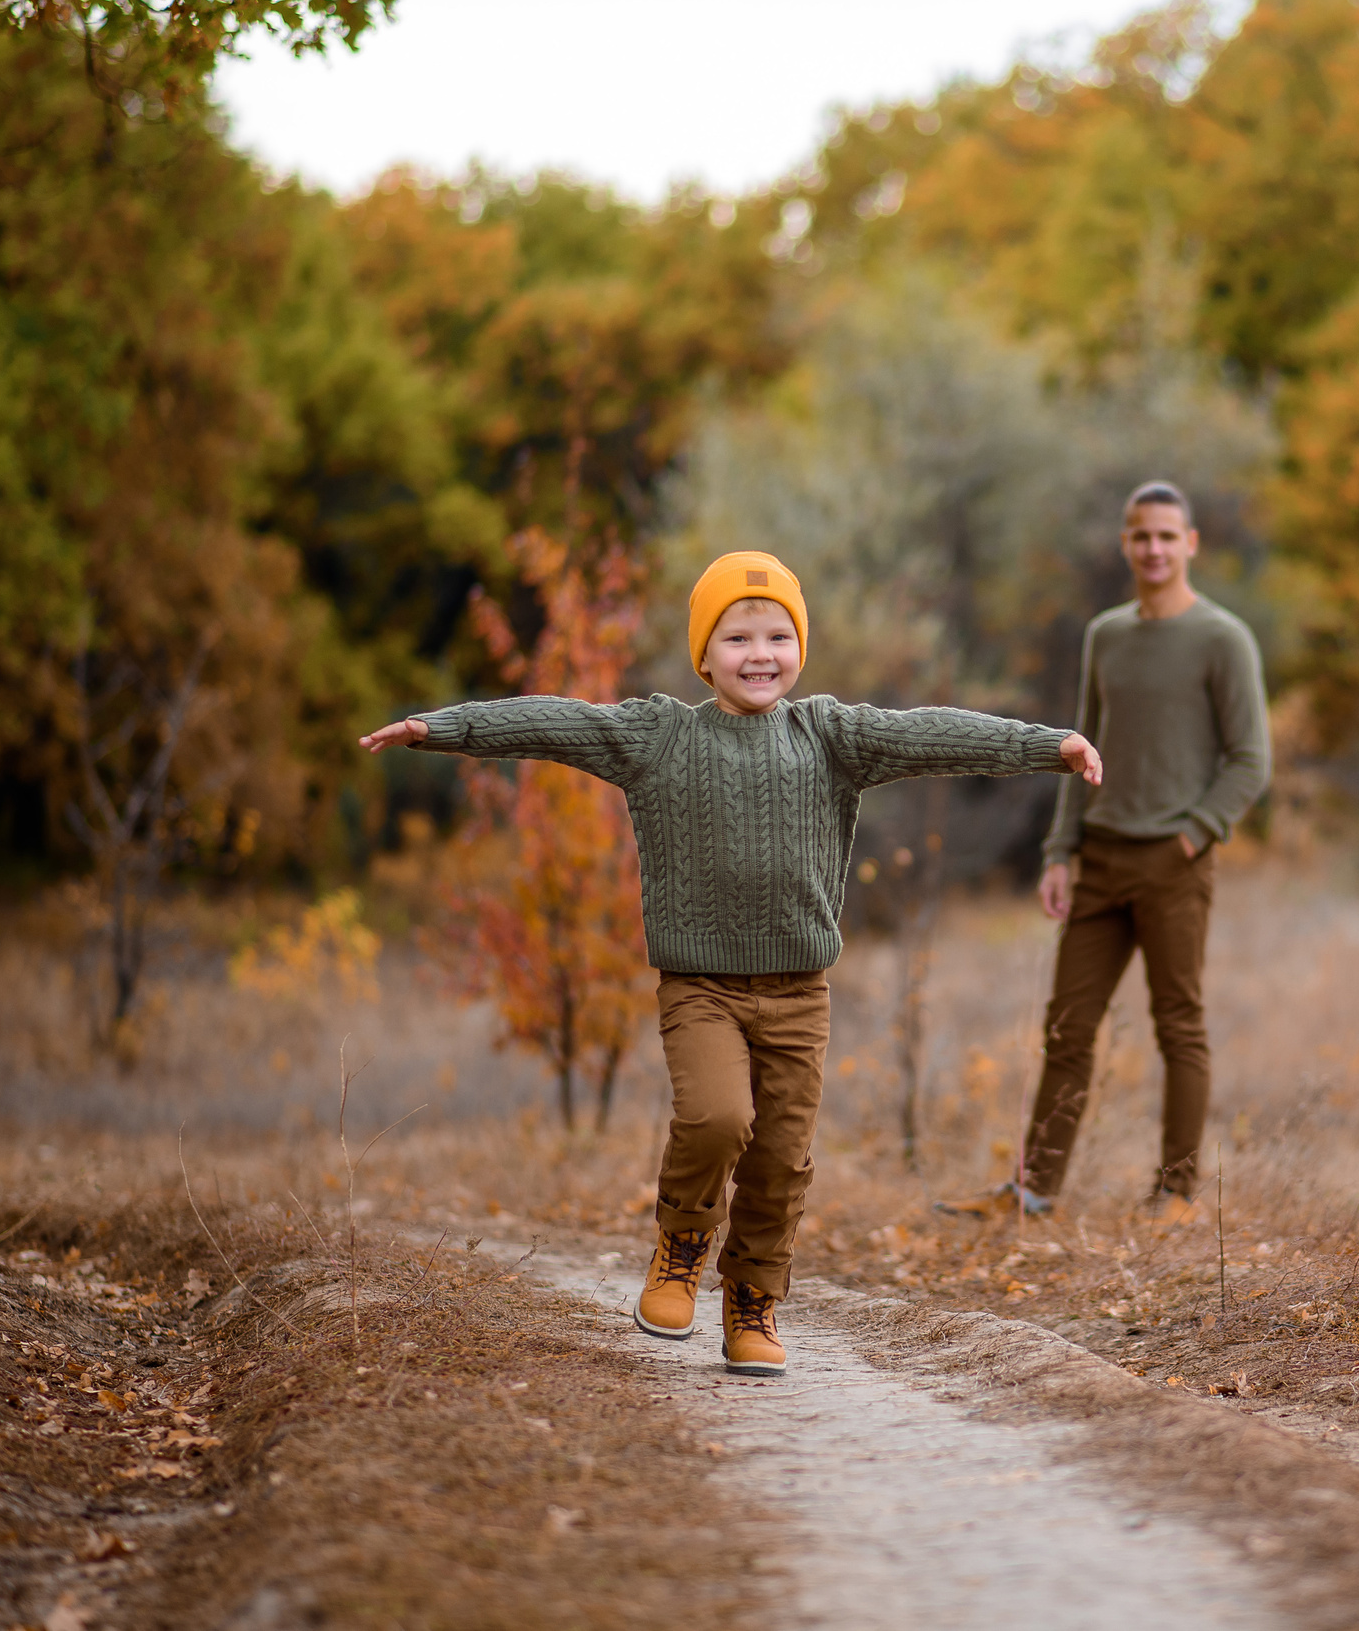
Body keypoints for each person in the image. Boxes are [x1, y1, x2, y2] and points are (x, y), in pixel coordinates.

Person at [361, 551, 1100, 1376]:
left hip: (799, 991)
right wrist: (444, 727)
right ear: (703, 654)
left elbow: (934, 731)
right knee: (717, 1118)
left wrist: (1050, 744)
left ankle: (752, 1301)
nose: (761, 653)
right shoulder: (659, 735)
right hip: (701, 986)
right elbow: (552, 721)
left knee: (781, 1159)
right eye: (737, 635)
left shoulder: (831, 735)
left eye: (779, 635)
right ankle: (680, 1246)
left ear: (800, 648)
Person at [941, 482, 1269, 1221]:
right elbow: (1078, 752)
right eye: (1139, 535)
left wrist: (1193, 833)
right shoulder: (1106, 635)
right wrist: (1060, 851)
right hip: (1101, 861)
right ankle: (1032, 1192)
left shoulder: (1223, 638)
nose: (1152, 548)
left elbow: (1251, 759)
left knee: (1177, 1025)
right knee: (1067, 1027)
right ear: (1125, 544)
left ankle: (1176, 1194)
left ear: (1190, 543)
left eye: (1166, 535)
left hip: (1174, 865)